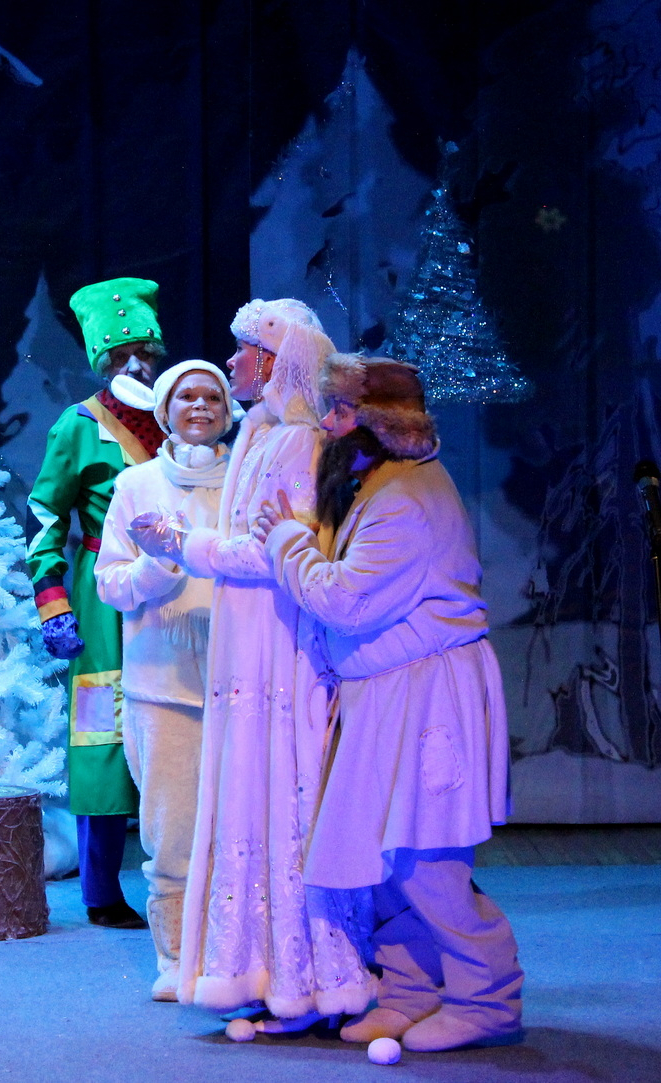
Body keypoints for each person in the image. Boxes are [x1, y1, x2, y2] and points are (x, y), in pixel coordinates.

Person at [252, 356, 521, 1052]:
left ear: (379, 423)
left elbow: (345, 599)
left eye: (342, 412)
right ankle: (410, 990)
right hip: (388, 690)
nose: (329, 424)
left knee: (423, 856)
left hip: (427, 695)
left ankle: (487, 998)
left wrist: (285, 540)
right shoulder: (383, 483)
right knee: (383, 853)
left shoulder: (404, 498)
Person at [131, 298, 375, 1026]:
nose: (232, 362)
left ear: (273, 362)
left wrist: (185, 544)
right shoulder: (263, 434)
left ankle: (303, 977)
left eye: (243, 352)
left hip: (280, 646)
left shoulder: (296, 440)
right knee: (251, 795)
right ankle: (258, 967)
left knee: (281, 795)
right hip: (248, 649)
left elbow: (274, 549)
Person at [28, 277, 168, 928]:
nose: (135, 366)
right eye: (121, 356)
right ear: (101, 362)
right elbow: (44, 520)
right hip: (99, 597)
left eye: (145, 352)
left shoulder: (182, 416)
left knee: (175, 724)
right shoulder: (78, 426)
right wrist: (54, 603)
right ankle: (101, 889)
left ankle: (183, 873)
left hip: (174, 592)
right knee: (100, 732)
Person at [95, 360, 235, 1000]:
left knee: (240, 827)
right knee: (172, 830)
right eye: (187, 397)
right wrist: (160, 567)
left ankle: (233, 955)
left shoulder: (247, 478)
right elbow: (110, 584)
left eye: (212, 397)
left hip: (242, 684)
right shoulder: (136, 484)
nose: (200, 406)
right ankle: (176, 958)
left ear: (228, 410)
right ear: (165, 410)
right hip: (162, 687)